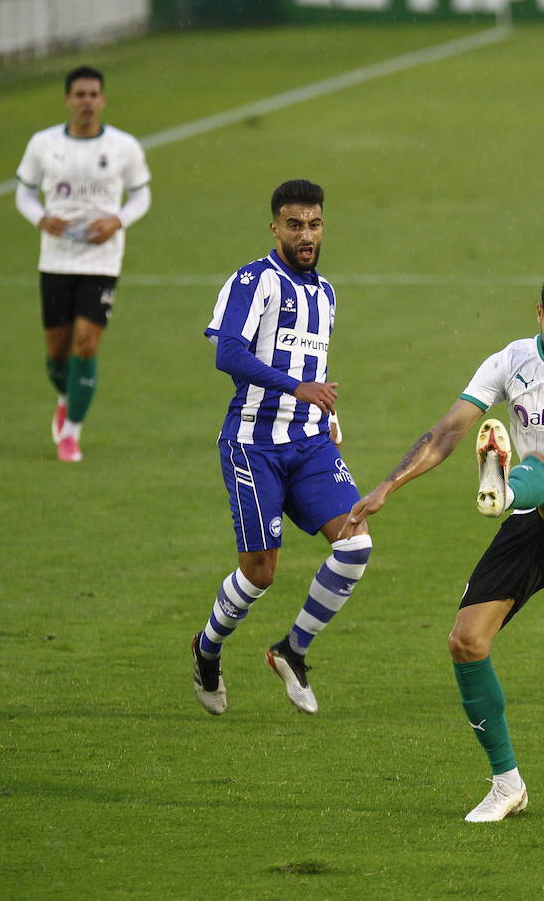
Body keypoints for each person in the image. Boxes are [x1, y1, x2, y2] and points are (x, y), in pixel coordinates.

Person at [342, 266, 544, 822]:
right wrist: (388, 485)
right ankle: (507, 784)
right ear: (539, 314)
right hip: (533, 515)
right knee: (466, 642)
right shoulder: (509, 361)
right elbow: (448, 431)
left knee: (538, 467)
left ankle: (505, 486)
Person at [190, 178, 371, 719]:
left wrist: (326, 413)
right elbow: (228, 353)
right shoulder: (254, 281)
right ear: (275, 228)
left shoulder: (326, 294)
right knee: (260, 573)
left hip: (310, 442)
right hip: (254, 446)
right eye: (295, 224)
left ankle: (292, 650)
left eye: (314, 223)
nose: (306, 234)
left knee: (356, 546)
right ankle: (207, 648)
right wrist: (297, 390)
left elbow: (310, 370)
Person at [14, 65, 151, 463]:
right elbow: (23, 194)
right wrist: (41, 218)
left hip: (102, 259)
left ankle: (71, 432)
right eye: (80, 95)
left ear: (103, 100)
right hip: (55, 258)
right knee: (57, 353)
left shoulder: (125, 147)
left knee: (86, 343)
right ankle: (65, 394)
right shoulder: (43, 144)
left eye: (93, 95)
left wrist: (117, 220)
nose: (87, 102)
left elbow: (142, 197)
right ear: (67, 100)